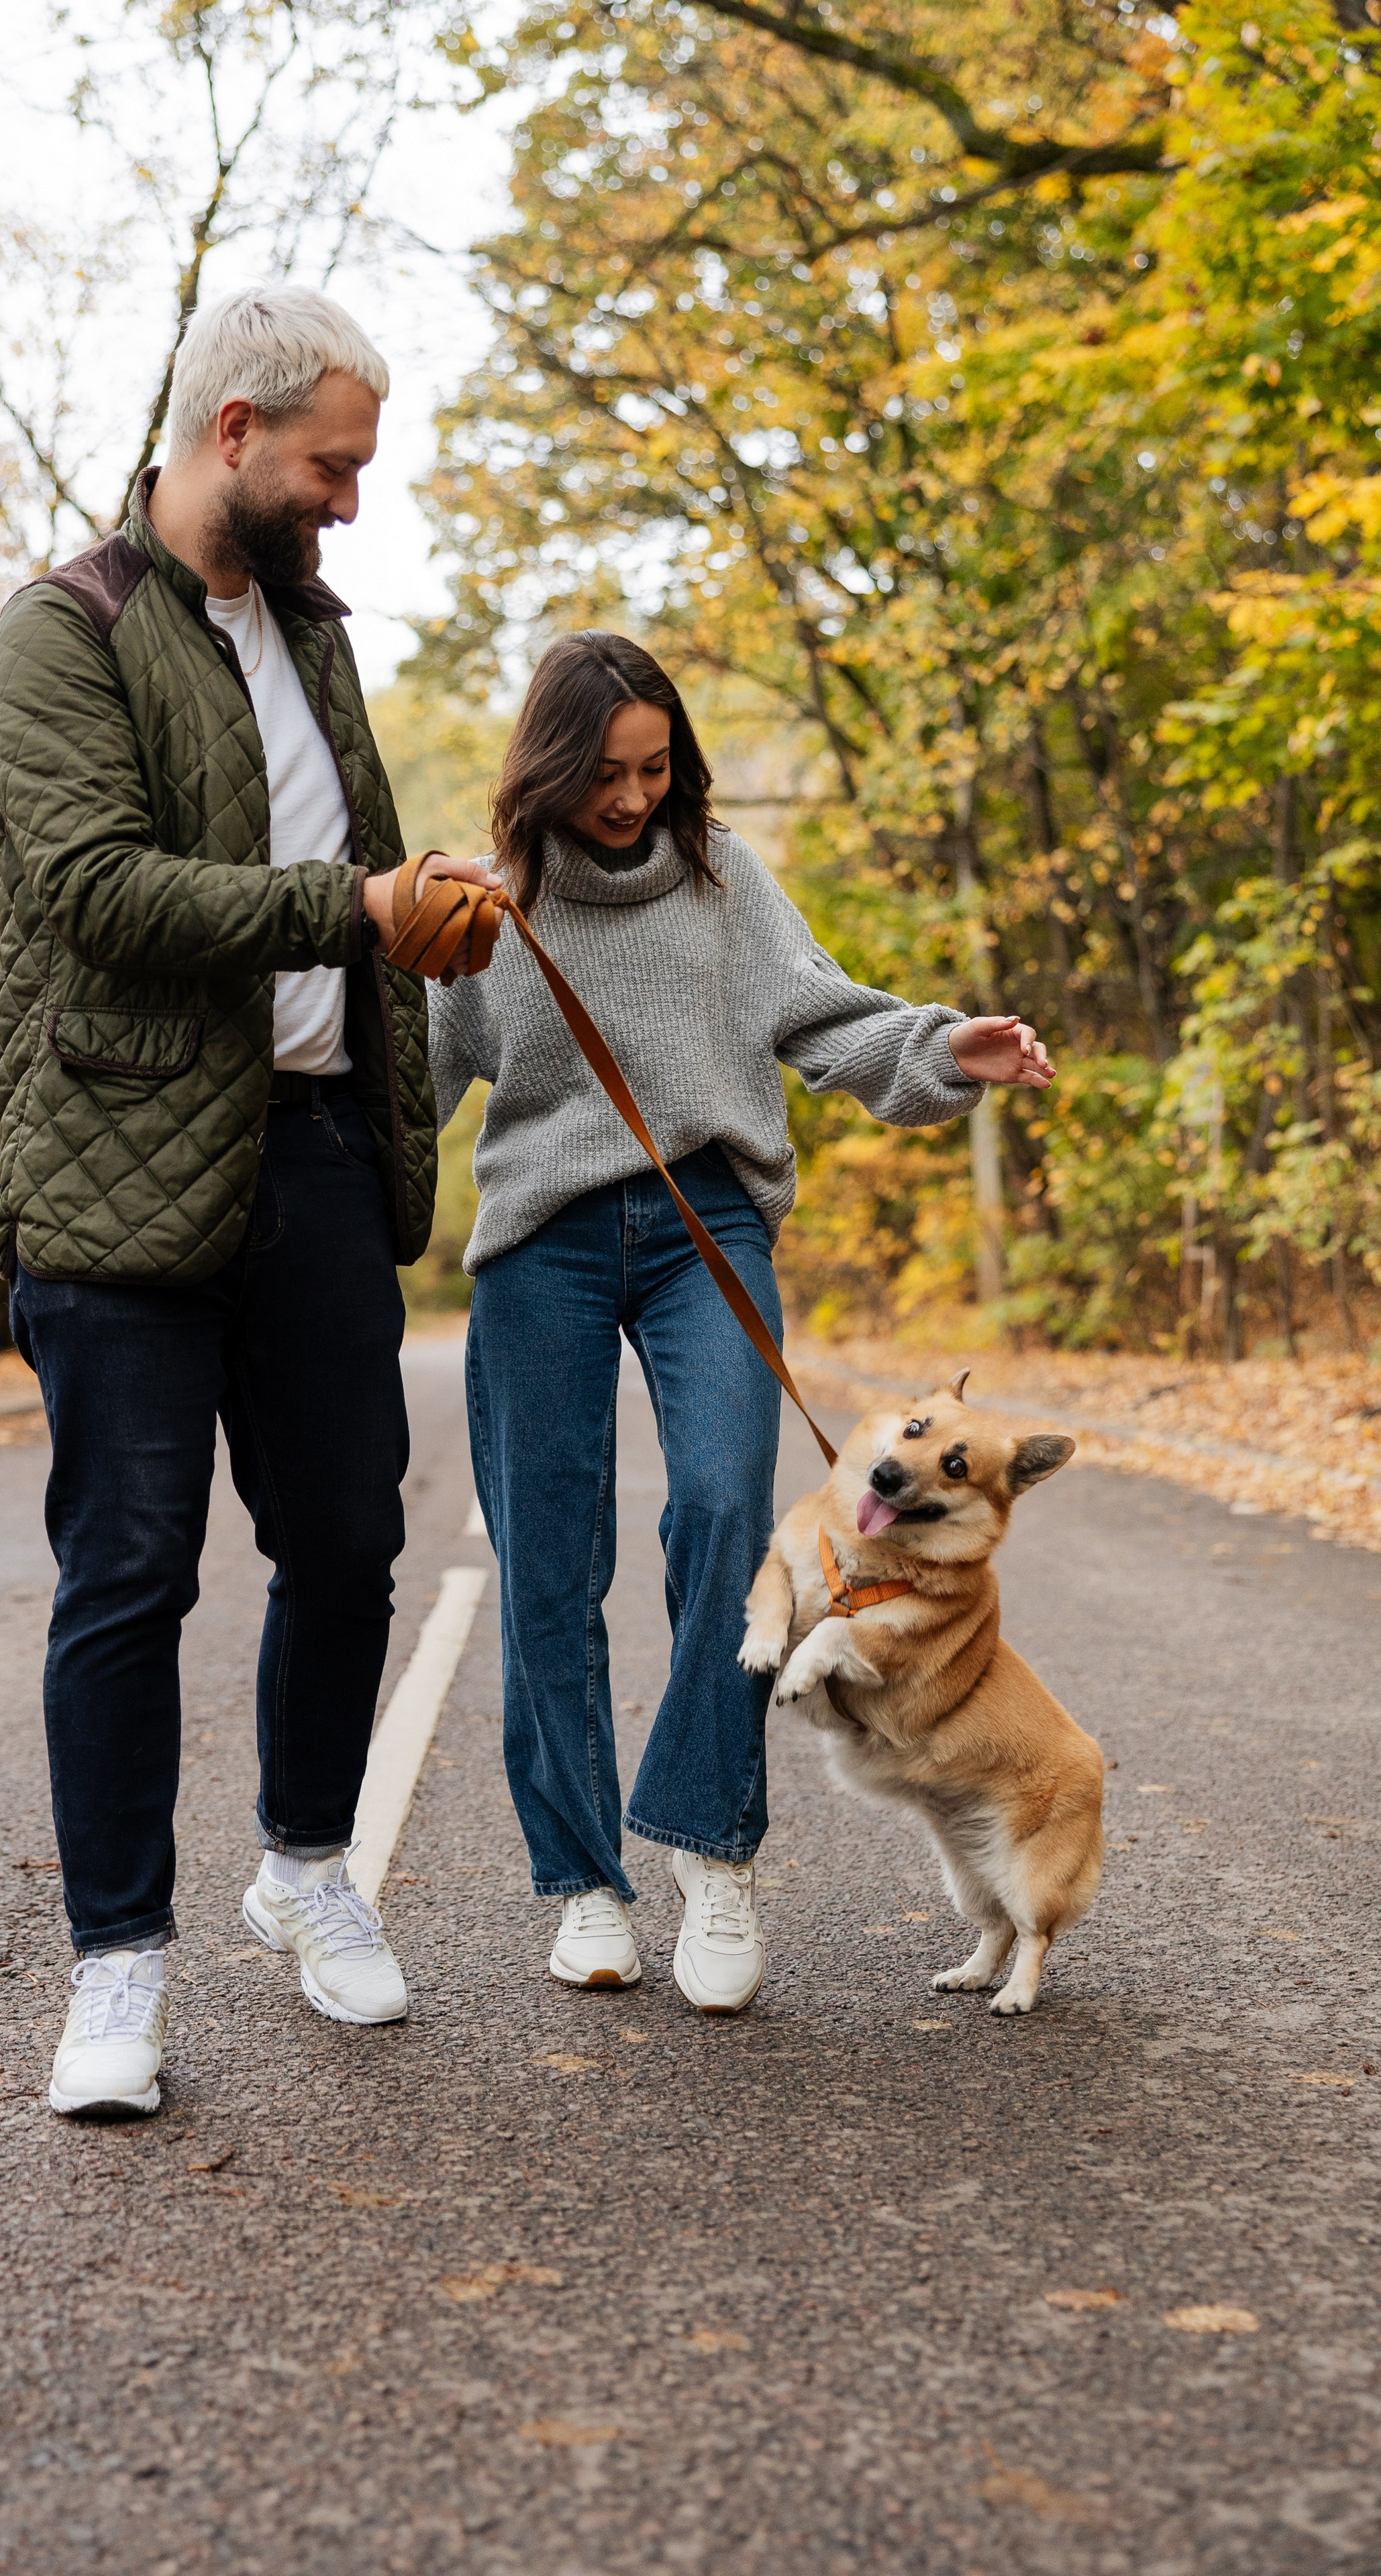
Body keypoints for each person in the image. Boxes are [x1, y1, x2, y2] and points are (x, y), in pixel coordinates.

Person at [0, 285, 499, 2116]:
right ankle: (118, 1973)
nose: (350, 498)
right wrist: (349, 907)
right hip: (116, 1176)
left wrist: (419, 901)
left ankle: (305, 1868)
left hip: (317, 1156)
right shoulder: (61, 632)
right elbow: (103, 896)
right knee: (127, 1574)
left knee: (350, 1540)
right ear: (233, 436)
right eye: (333, 464)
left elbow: (339, 870)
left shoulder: (313, 636)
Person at [429, 633, 1054, 2015]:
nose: (632, 797)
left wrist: (946, 1047)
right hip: (541, 1243)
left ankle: (712, 1857)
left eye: (655, 769)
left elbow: (829, 1025)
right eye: (606, 773)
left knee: (722, 1511)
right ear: (548, 766)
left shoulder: (723, 881)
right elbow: (401, 1088)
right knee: (546, 1558)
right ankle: (584, 1882)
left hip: (704, 1228)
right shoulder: (492, 900)